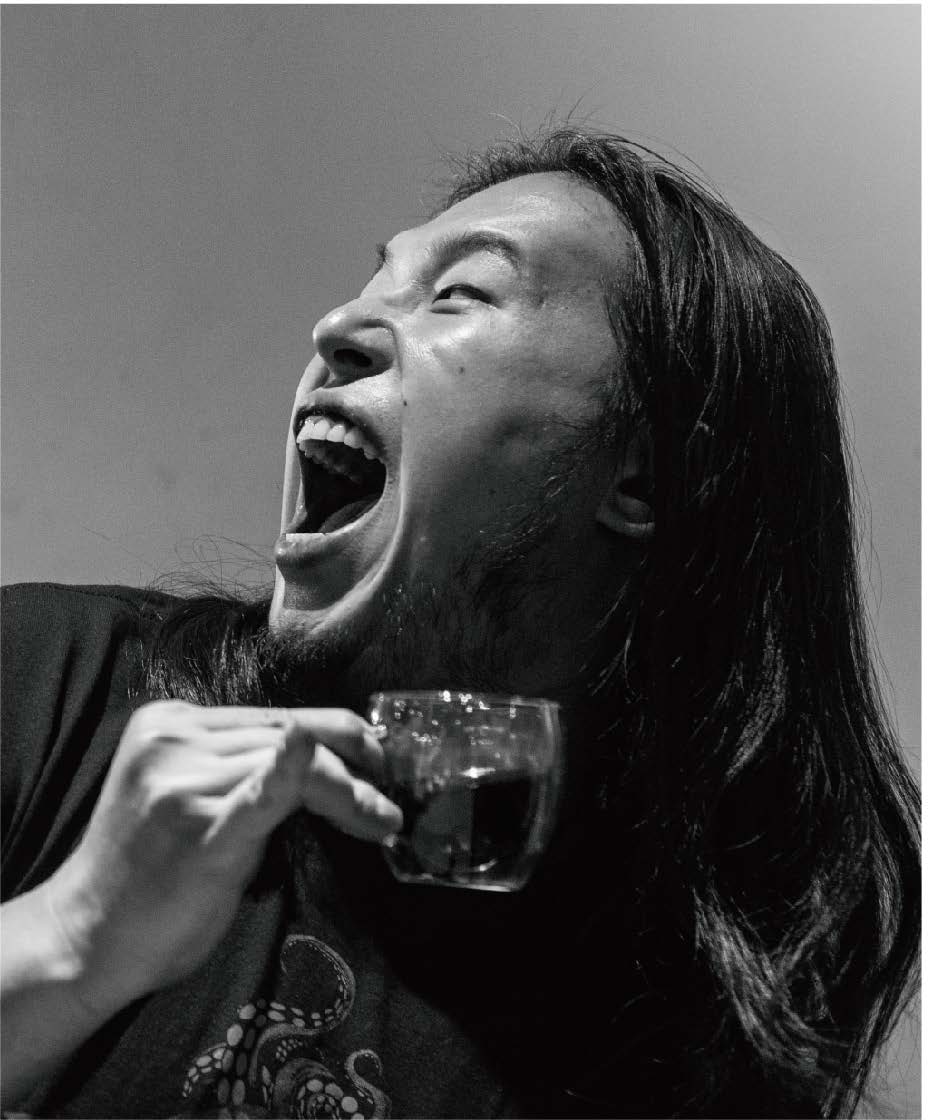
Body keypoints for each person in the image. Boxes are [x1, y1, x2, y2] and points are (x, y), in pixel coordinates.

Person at [1, 127, 919, 1119]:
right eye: (375, 283)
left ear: (645, 473)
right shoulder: (50, 687)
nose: (337, 324)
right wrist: (70, 938)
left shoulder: (702, 1033)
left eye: (458, 294)